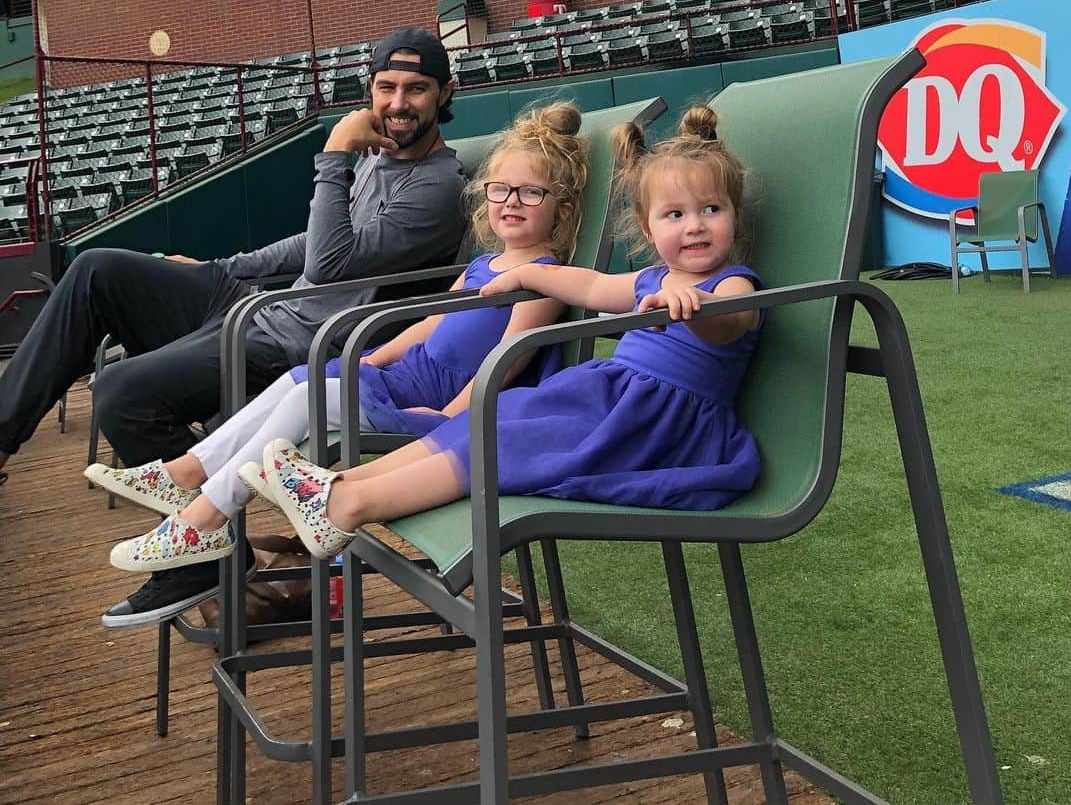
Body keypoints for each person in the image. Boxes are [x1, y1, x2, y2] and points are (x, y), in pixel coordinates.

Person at [0, 26, 468, 625]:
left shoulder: (438, 186)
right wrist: (222, 267)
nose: (399, 103)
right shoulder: (379, 159)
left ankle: (201, 557)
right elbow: (311, 244)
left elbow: (329, 262)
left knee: (123, 393)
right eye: (387, 87)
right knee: (98, 271)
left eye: (416, 89)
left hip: (303, 341)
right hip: (264, 307)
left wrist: (334, 154)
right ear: (370, 89)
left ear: (445, 93)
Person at [248, 106, 765, 560]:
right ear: (649, 229)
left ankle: (348, 507)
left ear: (733, 217)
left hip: (655, 425)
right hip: (607, 398)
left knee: (505, 443)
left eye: (710, 210)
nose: (694, 225)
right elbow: (586, 282)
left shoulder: (732, 284)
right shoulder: (650, 278)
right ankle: (339, 483)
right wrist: (522, 274)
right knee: (492, 417)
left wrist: (697, 308)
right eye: (675, 214)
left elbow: (732, 319)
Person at [97, 104, 587, 575]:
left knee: (313, 393)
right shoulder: (482, 265)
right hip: (404, 375)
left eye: (531, 193)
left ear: (561, 210)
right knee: (298, 380)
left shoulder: (546, 276)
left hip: (438, 402)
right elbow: (426, 324)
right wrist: (372, 358)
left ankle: (201, 518)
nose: (511, 203)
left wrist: (451, 415)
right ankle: (187, 469)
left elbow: (510, 360)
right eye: (501, 190)